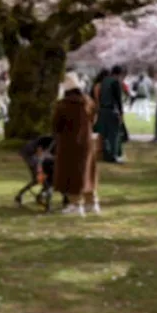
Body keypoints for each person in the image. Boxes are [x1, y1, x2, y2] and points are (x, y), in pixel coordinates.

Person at [53, 78, 99, 216]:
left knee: (72, 174)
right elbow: (93, 119)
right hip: (87, 141)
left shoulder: (63, 105)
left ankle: (75, 204)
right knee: (88, 172)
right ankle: (92, 202)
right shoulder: (88, 102)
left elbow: (56, 125)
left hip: (69, 143)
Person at [94, 66, 127, 163]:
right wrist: (121, 113)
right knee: (114, 134)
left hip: (103, 110)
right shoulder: (115, 82)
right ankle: (113, 155)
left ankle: (106, 154)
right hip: (112, 110)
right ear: (119, 74)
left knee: (104, 134)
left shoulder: (104, 81)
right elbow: (118, 99)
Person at [14, 134, 56, 210]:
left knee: (41, 178)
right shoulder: (51, 139)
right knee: (39, 177)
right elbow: (39, 151)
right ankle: (22, 195)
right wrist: (39, 166)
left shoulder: (57, 143)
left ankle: (41, 193)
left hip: (36, 154)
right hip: (30, 153)